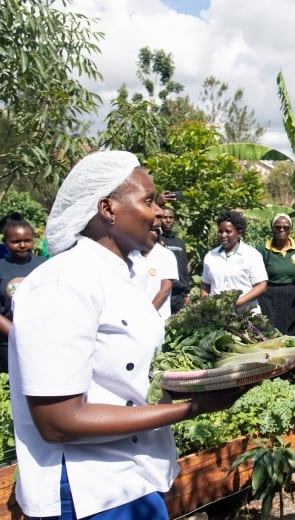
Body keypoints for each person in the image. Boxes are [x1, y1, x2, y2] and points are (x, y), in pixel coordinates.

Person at [7, 151, 244, 519]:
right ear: (108, 209)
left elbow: (124, 381)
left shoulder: (121, 276)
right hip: (87, 490)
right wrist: (191, 408)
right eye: (147, 200)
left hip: (132, 477)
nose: (156, 213)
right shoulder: (61, 282)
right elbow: (58, 421)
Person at [0, 213, 46, 373]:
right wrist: (16, 333)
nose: (22, 245)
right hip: (8, 343)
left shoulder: (45, 265)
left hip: (42, 339)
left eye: (27, 240)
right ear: (5, 243)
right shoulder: (1, 268)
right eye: (15, 241)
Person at [201, 209, 268, 312]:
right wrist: (207, 303)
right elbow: (205, 284)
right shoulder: (210, 256)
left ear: (239, 232)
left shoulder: (251, 255)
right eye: (220, 231)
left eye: (228, 231)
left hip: (245, 315)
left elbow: (261, 286)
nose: (223, 235)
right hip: (217, 315)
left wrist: (236, 303)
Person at [257, 214, 295, 337]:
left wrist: (293, 286)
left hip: (291, 294)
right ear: (272, 229)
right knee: (271, 327)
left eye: (286, 227)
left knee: (294, 326)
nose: (281, 230)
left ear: (291, 229)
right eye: (278, 227)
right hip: (268, 294)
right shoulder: (262, 250)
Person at [133, 239, 179, 320]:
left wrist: (148, 314)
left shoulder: (166, 255)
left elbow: (165, 290)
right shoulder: (132, 255)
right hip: (134, 316)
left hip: (157, 317)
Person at [159, 205, 191, 313]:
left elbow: (184, 268)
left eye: (171, 217)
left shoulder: (179, 242)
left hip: (179, 295)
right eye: (164, 217)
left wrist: (187, 292)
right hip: (163, 291)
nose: (168, 221)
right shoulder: (156, 241)